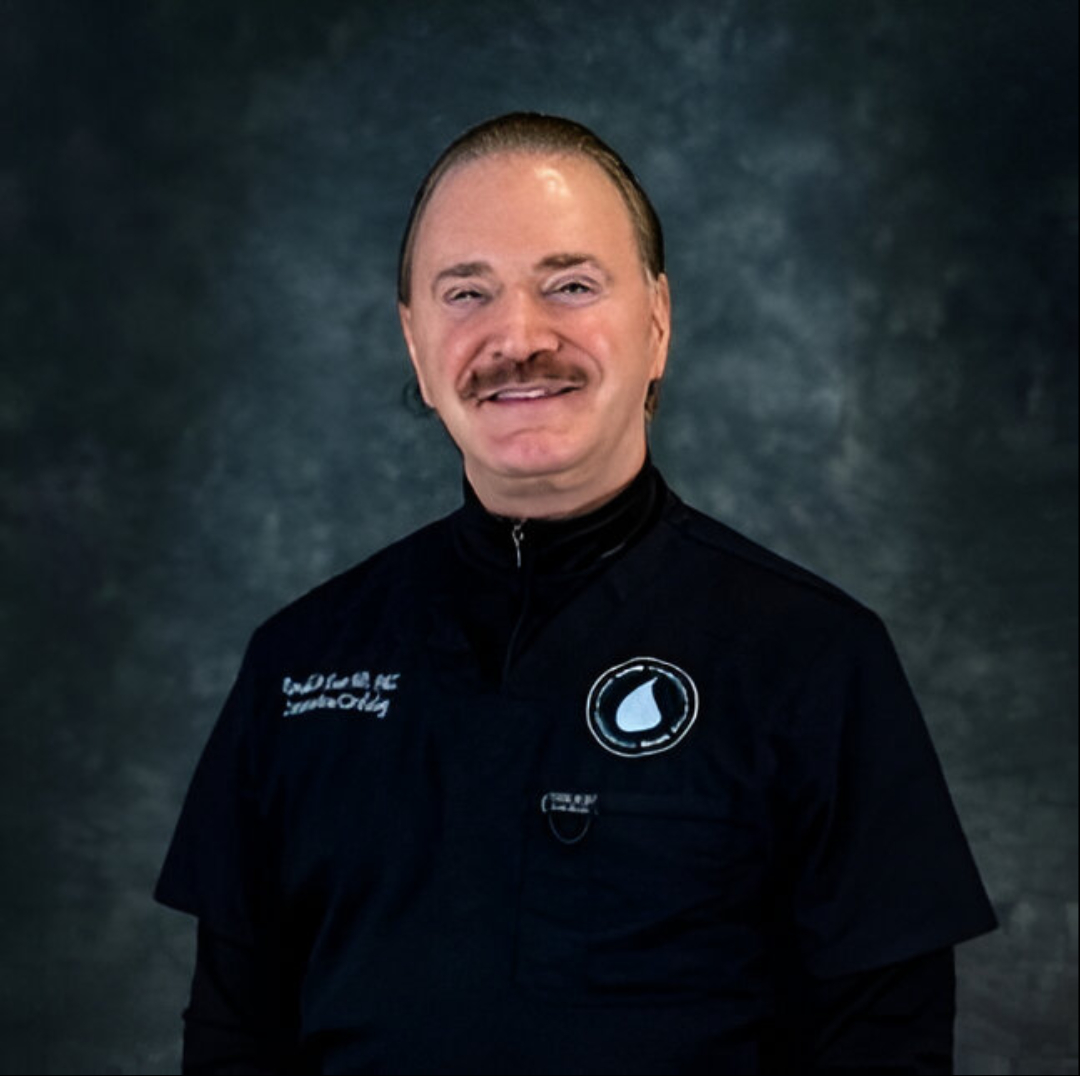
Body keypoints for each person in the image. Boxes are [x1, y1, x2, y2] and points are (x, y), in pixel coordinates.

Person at [156, 112, 997, 1074]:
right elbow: (231, 1036)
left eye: (571, 285)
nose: (518, 337)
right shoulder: (296, 665)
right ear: (416, 345)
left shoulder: (814, 659)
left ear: (657, 322)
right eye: (466, 293)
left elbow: (888, 1046)